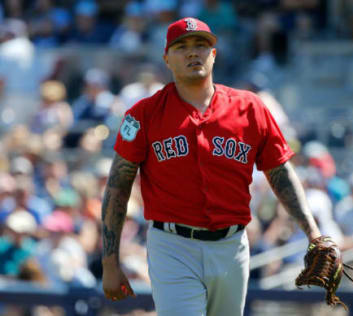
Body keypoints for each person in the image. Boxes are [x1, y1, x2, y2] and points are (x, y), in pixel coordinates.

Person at [101, 17, 327, 315]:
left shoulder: (251, 108)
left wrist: (312, 232)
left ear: (214, 54)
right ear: (167, 59)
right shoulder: (143, 114)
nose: (193, 52)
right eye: (182, 47)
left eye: (201, 45)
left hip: (231, 245)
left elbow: (280, 171)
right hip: (172, 245)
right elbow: (118, 185)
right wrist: (109, 262)